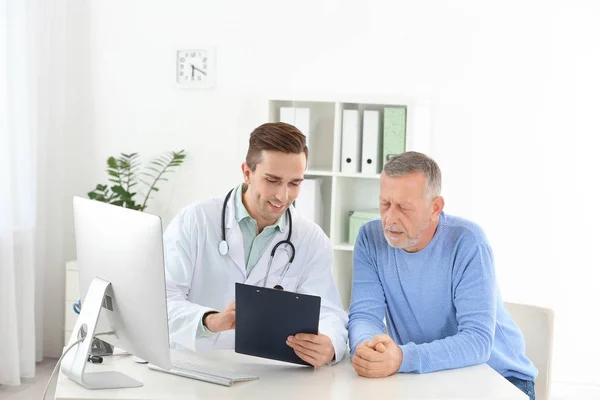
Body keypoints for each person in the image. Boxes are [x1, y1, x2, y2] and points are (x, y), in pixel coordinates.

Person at [348, 151, 537, 399]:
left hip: (500, 379)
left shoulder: (468, 241)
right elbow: (364, 315)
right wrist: (367, 348)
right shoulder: (370, 238)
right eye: (385, 204)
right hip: (426, 378)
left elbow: (477, 341)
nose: (390, 218)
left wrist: (403, 357)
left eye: (404, 207)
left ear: (435, 208)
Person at [163, 122, 348, 367]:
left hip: (268, 373)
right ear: (247, 172)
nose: (283, 196)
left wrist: (330, 344)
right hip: (193, 366)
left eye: (294, 183)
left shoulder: (312, 240)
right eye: (272, 180)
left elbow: (330, 312)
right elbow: (162, 299)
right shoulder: (195, 220)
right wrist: (209, 320)